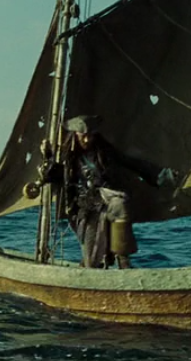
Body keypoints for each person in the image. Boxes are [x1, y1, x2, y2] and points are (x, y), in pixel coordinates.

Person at [58, 114, 177, 269]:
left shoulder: (105, 151)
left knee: (120, 203)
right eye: (83, 136)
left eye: (90, 136)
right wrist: (46, 160)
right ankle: (90, 266)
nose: (87, 140)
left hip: (107, 196)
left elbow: (131, 162)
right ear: (75, 135)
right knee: (91, 261)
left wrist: (161, 174)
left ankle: (123, 259)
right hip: (87, 208)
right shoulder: (67, 158)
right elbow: (56, 176)